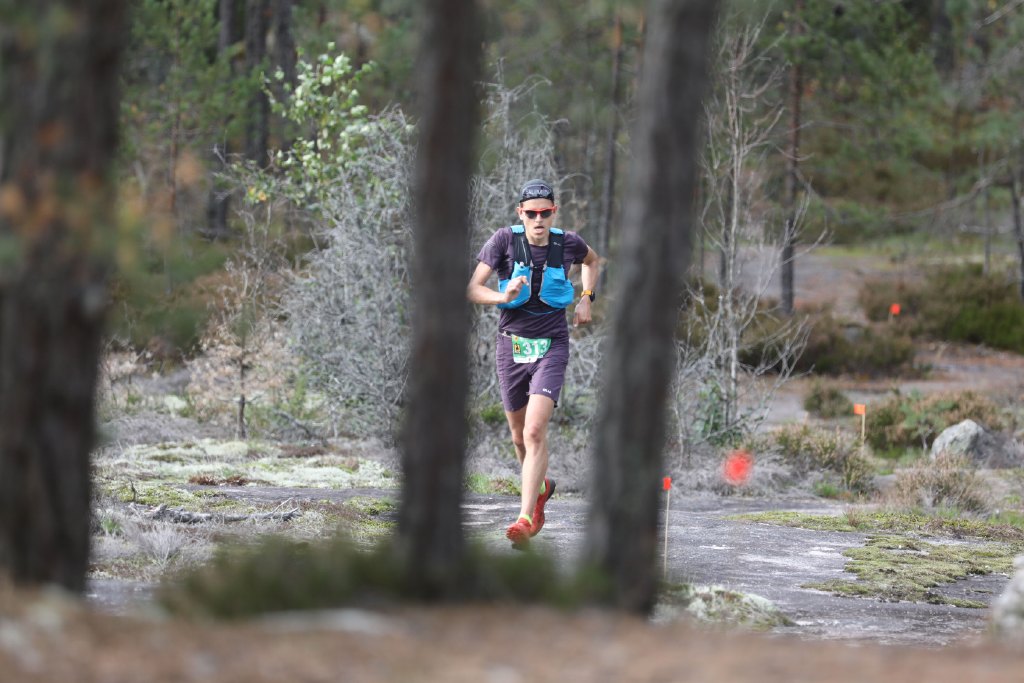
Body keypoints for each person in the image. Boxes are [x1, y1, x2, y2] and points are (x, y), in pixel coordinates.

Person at [467, 179, 600, 548]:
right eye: (531, 213)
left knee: (534, 431)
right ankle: (540, 489)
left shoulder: (567, 242)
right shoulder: (503, 241)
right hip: (511, 346)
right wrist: (501, 296)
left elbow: (592, 261)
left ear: (554, 212)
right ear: (520, 213)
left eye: (545, 213)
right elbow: (472, 288)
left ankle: (525, 518)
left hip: (552, 345)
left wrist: (587, 297)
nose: (538, 220)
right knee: (517, 435)